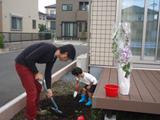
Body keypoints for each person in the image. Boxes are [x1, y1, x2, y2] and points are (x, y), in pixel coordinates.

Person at [15, 42, 76, 120]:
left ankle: (35, 110)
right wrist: (36, 73)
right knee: (32, 92)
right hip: (22, 64)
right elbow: (29, 58)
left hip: (29, 64)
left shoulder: (53, 57)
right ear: (65, 53)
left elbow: (48, 72)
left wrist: (49, 89)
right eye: (67, 58)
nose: (66, 60)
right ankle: (31, 117)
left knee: (38, 88)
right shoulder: (48, 48)